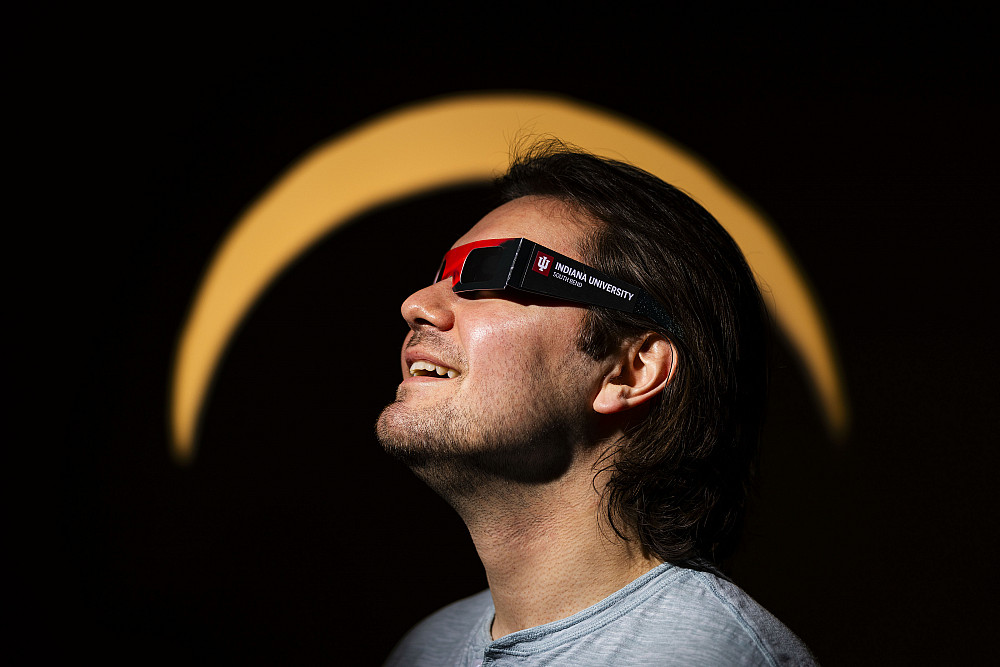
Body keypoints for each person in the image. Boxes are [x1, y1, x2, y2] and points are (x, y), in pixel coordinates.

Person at [376, 141, 817, 666]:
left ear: (630, 370)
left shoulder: (705, 655)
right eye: (441, 274)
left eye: (490, 271)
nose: (417, 304)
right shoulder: (425, 648)